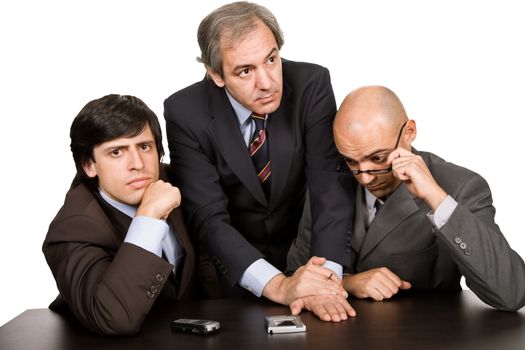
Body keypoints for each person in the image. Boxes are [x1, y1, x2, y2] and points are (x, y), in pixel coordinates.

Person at [164, 1, 355, 321]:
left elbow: (330, 187)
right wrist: (278, 285)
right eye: (245, 70)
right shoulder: (185, 112)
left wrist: (325, 282)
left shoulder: (311, 84)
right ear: (215, 74)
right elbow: (207, 216)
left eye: (271, 59)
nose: (267, 82)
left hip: (309, 258)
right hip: (232, 279)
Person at [288, 85, 525, 311]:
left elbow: (512, 293)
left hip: (428, 335)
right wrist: (349, 282)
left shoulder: (462, 186)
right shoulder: (331, 182)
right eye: (351, 161)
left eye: (378, 159)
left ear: (409, 133)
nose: (365, 178)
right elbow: (293, 274)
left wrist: (435, 197)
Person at [43, 94, 195, 335]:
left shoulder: (178, 180)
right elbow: (113, 316)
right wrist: (148, 217)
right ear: (89, 165)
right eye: (117, 152)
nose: (137, 163)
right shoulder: (72, 228)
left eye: (144, 147)